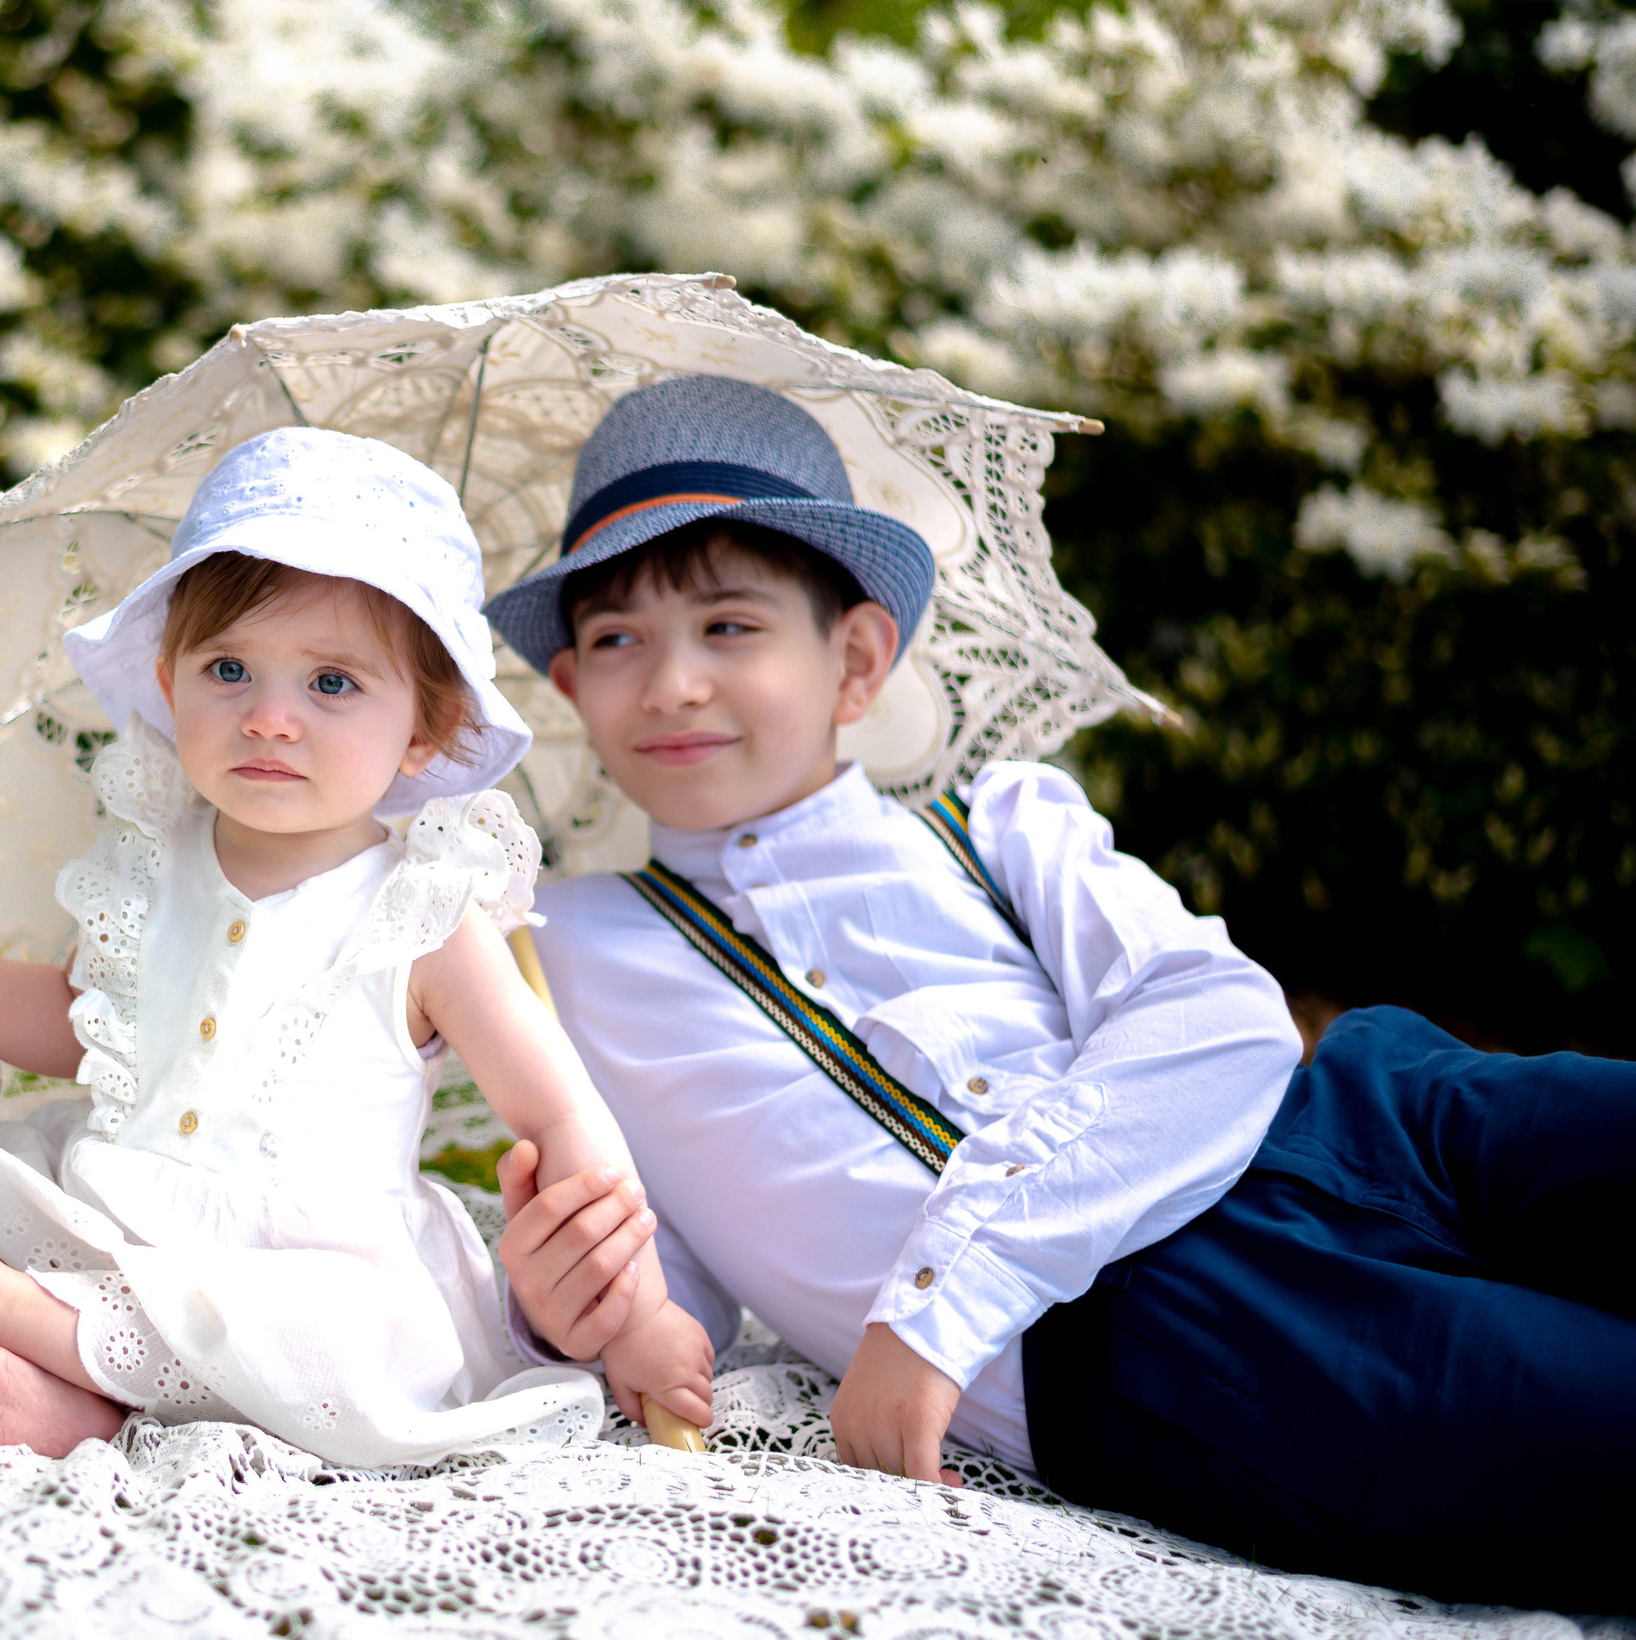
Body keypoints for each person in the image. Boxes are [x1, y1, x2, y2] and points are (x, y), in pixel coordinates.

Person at [479, 373, 1634, 1610]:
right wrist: (564, 1309)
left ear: (857, 659)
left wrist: (935, 1307)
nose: (670, 684)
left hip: (1362, 1112)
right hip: (1170, 1329)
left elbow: (1213, 1015)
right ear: (569, 693)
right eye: (614, 641)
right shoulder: (563, 955)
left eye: (729, 626)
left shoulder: (997, 818)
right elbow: (680, 1288)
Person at [0, 426, 714, 1466]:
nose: (268, 718)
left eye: (331, 683)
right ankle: (89, 1400)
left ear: (424, 732)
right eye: (230, 669)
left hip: (311, 1256)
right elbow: (85, 1028)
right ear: (168, 683)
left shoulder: (427, 911)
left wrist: (640, 1307)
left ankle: (17, 1320)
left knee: (330, 1342)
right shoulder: (151, 858)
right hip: (129, 1204)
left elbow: (561, 1115)